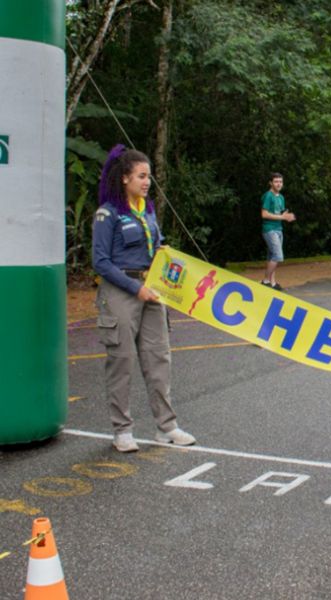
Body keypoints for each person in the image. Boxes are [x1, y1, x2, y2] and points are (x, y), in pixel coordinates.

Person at [92, 145, 196, 453]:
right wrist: (135, 288)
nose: (147, 181)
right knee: (121, 361)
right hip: (121, 290)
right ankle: (122, 430)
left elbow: (156, 241)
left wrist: (162, 251)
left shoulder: (146, 208)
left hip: (153, 290)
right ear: (125, 178)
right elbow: (100, 261)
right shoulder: (107, 213)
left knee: (158, 358)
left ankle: (166, 427)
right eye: (141, 176)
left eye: (149, 176)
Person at [260, 173, 296, 290]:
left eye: (280, 181)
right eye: (276, 181)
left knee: (272, 256)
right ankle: (265, 281)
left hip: (278, 229)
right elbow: (264, 214)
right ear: (270, 183)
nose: (279, 184)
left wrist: (287, 216)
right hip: (269, 229)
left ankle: (273, 282)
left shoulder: (281, 197)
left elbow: (280, 214)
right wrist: (282, 217)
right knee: (278, 256)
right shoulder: (268, 196)